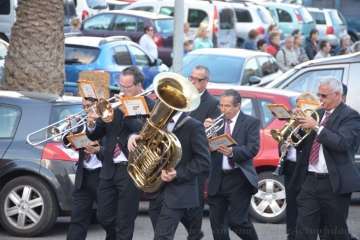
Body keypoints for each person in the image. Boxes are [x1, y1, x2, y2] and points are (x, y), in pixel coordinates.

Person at [86, 66, 153, 240]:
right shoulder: (113, 105)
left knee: (125, 220)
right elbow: (97, 133)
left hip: (131, 169)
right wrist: (92, 122)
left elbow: (147, 133)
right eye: (120, 85)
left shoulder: (150, 105)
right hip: (109, 167)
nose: (122, 90)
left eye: (127, 86)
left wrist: (128, 114)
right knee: (104, 216)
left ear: (139, 85)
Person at [291, 77, 360, 240]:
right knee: (303, 231)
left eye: (324, 96)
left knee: (334, 232)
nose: (320, 99)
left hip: (333, 183)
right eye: (319, 95)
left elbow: (342, 143)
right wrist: (296, 127)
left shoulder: (350, 116)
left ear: (337, 95)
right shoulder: (318, 114)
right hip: (310, 180)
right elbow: (301, 145)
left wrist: (315, 126)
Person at [128, 111, 211, 240]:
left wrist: (178, 173)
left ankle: (194, 232)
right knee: (160, 232)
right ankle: (194, 232)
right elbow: (142, 137)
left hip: (179, 190)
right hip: (157, 189)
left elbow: (204, 161)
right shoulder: (156, 122)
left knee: (162, 237)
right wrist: (134, 137)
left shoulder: (194, 126)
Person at [206, 89, 260, 240]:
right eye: (221, 106)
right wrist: (205, 132)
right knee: (217, 224)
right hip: (217, 177)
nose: (223, 110)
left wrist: (231, 152)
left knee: (238, 221)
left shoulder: (251, 122)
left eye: (227, 106)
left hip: (238, 178)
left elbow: (252, 149)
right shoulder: (216, 123)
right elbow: (204, 147)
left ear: (238, 106)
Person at [181, 65, 221, 240]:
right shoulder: (182, 98)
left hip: (197, 160)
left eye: (197, 79)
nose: (192, 81)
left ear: (205, 82)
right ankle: (194, 231)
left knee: (195, 204)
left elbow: (216, 134)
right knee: (171, 203)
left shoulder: (212, 103)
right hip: (179, 157)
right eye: (191, 78)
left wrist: (209, 127)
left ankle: (194, 234)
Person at [280, 93, 319, 240]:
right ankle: (291, 234)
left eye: (300, 105)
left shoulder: (311, 123)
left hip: (303, 169)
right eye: (296, 105)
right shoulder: (292, 122)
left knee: (303, 206)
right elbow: (282, 145)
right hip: (290, 167)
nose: (297, 108)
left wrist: (297, 129)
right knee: (291, 205)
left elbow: (303, 144)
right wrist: (284, 143)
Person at [66, 98, 104, 240]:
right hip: (84, 174)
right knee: (77, 219)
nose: (86, 109)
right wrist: (71, 128)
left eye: (89, 106)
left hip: (102, 174)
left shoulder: (106, 121)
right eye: (83, 106)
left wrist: (97, 146)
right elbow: (66, 141)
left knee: (107, 218)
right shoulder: (81, 119)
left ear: (97, 105)